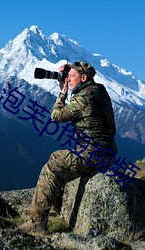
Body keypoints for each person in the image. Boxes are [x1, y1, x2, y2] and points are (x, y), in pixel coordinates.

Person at [19, 61, 117, 233]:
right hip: (106, 152)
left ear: (84, 78)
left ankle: (36, 224)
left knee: (51, 168)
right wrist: (70, 72)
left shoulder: (83, 99)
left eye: (72, 77)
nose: (68, 79)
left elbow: (56, 116)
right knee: (56, 156)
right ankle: (56, 209)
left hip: (93, 154)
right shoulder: (98, 90)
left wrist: (62, 93)